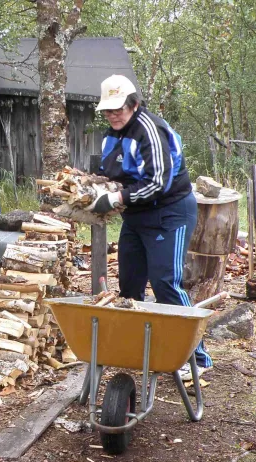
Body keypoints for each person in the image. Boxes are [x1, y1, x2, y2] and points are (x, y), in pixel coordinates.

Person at [90, 74, 211, 380]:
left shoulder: (150, 130)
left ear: (134, 104)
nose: (113, 114)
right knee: (129, 286)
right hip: (136, 215)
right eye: (108, 109)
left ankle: (197, 357)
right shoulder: (111, 135)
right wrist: (92, 188)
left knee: (165, 282)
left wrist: (117, 197)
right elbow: (110, 171)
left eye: (119, 108)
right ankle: (138, 348)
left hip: (169, 212)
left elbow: (159, 182)